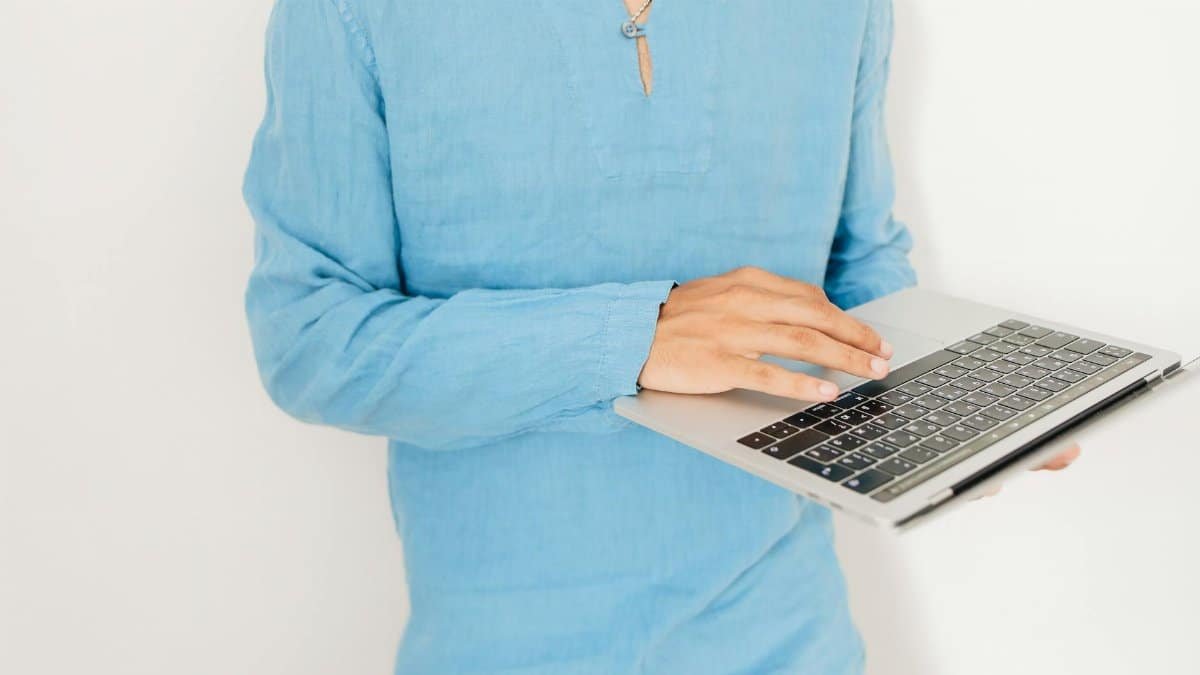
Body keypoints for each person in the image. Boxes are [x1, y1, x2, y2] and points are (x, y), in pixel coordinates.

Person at [243, 1, 1079, 672]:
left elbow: (858, 271)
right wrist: (632, 338)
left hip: (795, 637)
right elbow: (310, 336)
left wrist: (949, 408)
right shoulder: (346, 11)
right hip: (504, 646)